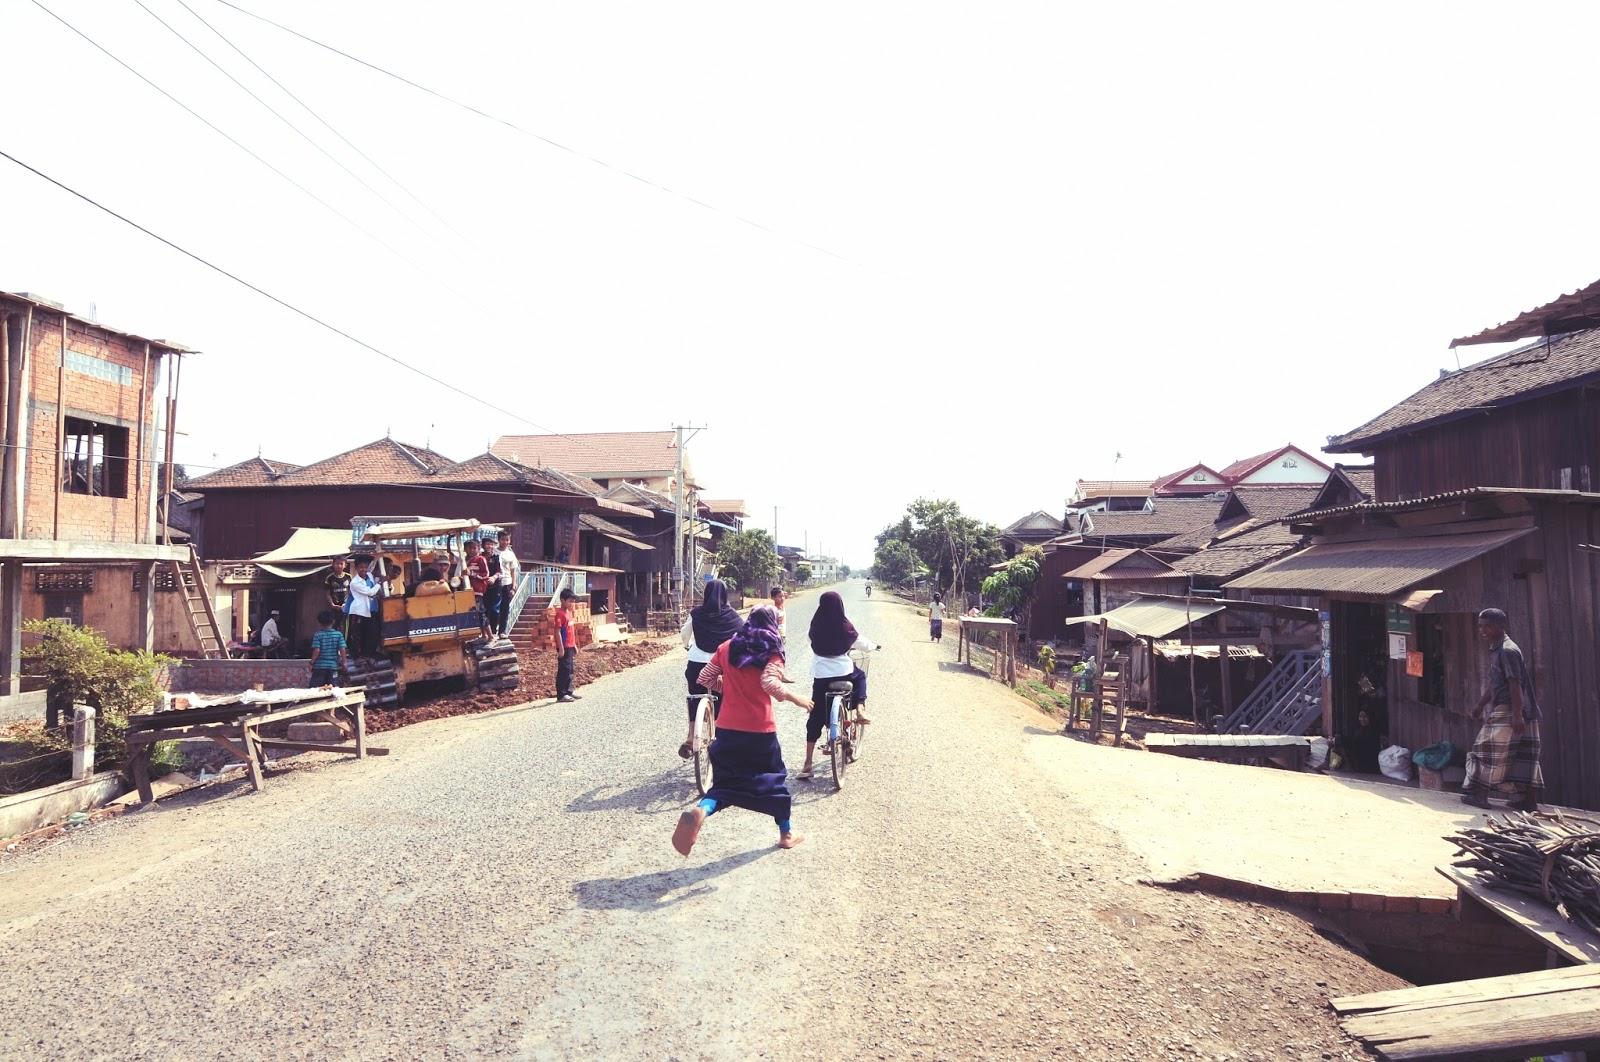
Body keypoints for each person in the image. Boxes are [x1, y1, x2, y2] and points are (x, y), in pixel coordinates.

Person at [672, 605, 811, 856]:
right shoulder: (771, 652)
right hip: (760, 731)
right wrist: (796, 698)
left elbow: (704, 678)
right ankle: (786, 834)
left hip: (727, 730)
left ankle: (701, 811)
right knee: (775, 781)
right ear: (771, 625)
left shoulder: (726, 648)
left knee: (724, 784)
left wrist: (727, 687)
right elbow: (768, 682)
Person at [1463, 608, 1543, 811]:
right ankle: (1528, 801)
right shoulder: (1497, 649)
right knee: (1523, 753)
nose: (1483, 630)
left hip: (1512, 708)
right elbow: (1495, 683)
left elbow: (1515, 684)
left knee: (1485, 749)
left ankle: (1480, 796)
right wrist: (1480, 705)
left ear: (1500, 626)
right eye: (1480, 626)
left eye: (1487, 626)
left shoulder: (1507, 650)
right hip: (1516, 708)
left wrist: (1517, 715)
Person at [799, 590, 878, 780]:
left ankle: (808, 763)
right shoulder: (845, 625)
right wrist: (874, 646)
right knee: (860, 677)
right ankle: (859, 709)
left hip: (821, 676)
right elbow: (863, 644)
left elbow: (810, 641)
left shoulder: (815, 625)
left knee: (815, 714)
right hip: (844, 672)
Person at [680, 578, 743, 758]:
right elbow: (741, 637)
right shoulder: (732, 615)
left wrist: (688, 646)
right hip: (722, 665)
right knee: (724, 695)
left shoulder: (696, 613)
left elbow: (685, 633)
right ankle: (723, 737)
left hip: (697, 663)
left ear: (706, 594)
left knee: (695, 696)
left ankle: (692, 736)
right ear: (725, 595)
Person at [346, 557, 382, 659]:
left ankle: (369, 654)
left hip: (372, 610)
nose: (364, 570)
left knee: (373, 632)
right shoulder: (355, 582)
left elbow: (371, 568)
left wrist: (376, 557)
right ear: (356, 568)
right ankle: (360, 655)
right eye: (361, 567)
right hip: (360, 611)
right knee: (360, 634)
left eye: (365, 567)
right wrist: (379, 584)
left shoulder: (369, 575)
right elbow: (370, 592)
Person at [552, 587, 581, 703]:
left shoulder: (569, 613)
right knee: (563, 670)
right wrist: (561, 648)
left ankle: (569, 691)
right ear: (562, 600)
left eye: (573, 601)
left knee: (570, 670)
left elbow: (571, 631)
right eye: (570, 601)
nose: (571, 603)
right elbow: (557, 631)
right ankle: (561, 694)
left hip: (570, 646)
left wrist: (574, 645)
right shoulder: (560, 614)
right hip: (563, 647)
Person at [309, 609, 347, 686]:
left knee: (315, 689)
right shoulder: (338, 635)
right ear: (333, 621)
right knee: (333, 689)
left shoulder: (318, 635)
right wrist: (344, 662)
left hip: (319, 667)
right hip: (333, 668)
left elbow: (317, 650)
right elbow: (342, 649)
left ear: (319, 622)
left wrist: (311, 662)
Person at [464, 538, 492, 638]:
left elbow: (486, 575)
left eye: (474, 548)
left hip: (478, 590)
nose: (472, 550)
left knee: (481, 613)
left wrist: (472, 574)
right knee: (475, 614)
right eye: (469, 548)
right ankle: (483, 635)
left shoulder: (480, 559)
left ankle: (490, 636)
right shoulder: (466, 561)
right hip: (469, 591)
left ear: (479, 549)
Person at [495, 530, 520, 638]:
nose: (505, 542)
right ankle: (492, 630)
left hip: (507, 583)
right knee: (494, 608)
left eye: (507, 540)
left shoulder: (510, 554)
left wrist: (513, 586)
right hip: (495, 584)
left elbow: (513, 571)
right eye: (503, 539)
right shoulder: (494, 552)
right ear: (499, 540)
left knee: (505, 608)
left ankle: (502, 631)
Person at [1342, 708, 1383, 774]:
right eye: (1360, 716)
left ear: (1370, 718)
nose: (1362, 719)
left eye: (1365, 717)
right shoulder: (1358, 730)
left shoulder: (1374, 731)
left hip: (1370, 765)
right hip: (1359, 764)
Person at [480, 537, 504, 639]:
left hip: (495, 587)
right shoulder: (480, 558)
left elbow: (500, 572)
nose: (489, 546)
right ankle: (484, 634)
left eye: (491, 544)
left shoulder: (496, 558)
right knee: (483, 611)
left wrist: (494, 577)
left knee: (494, 610)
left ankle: (493, 632)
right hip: (482, 588)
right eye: (487, 544)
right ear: (483, 546)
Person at [325, 558, 351, 636]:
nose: (339, 566)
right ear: (333, 564)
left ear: (345, 565)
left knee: (345, 627)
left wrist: (347, 604)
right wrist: (332, 604)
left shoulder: (348, 577)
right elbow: (327, 593)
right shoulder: (329, 578)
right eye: (337, 563)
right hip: (334, 607)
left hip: (346, 607)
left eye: (341, 564)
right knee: (334, 625)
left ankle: (344, 645)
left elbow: (351, 592)